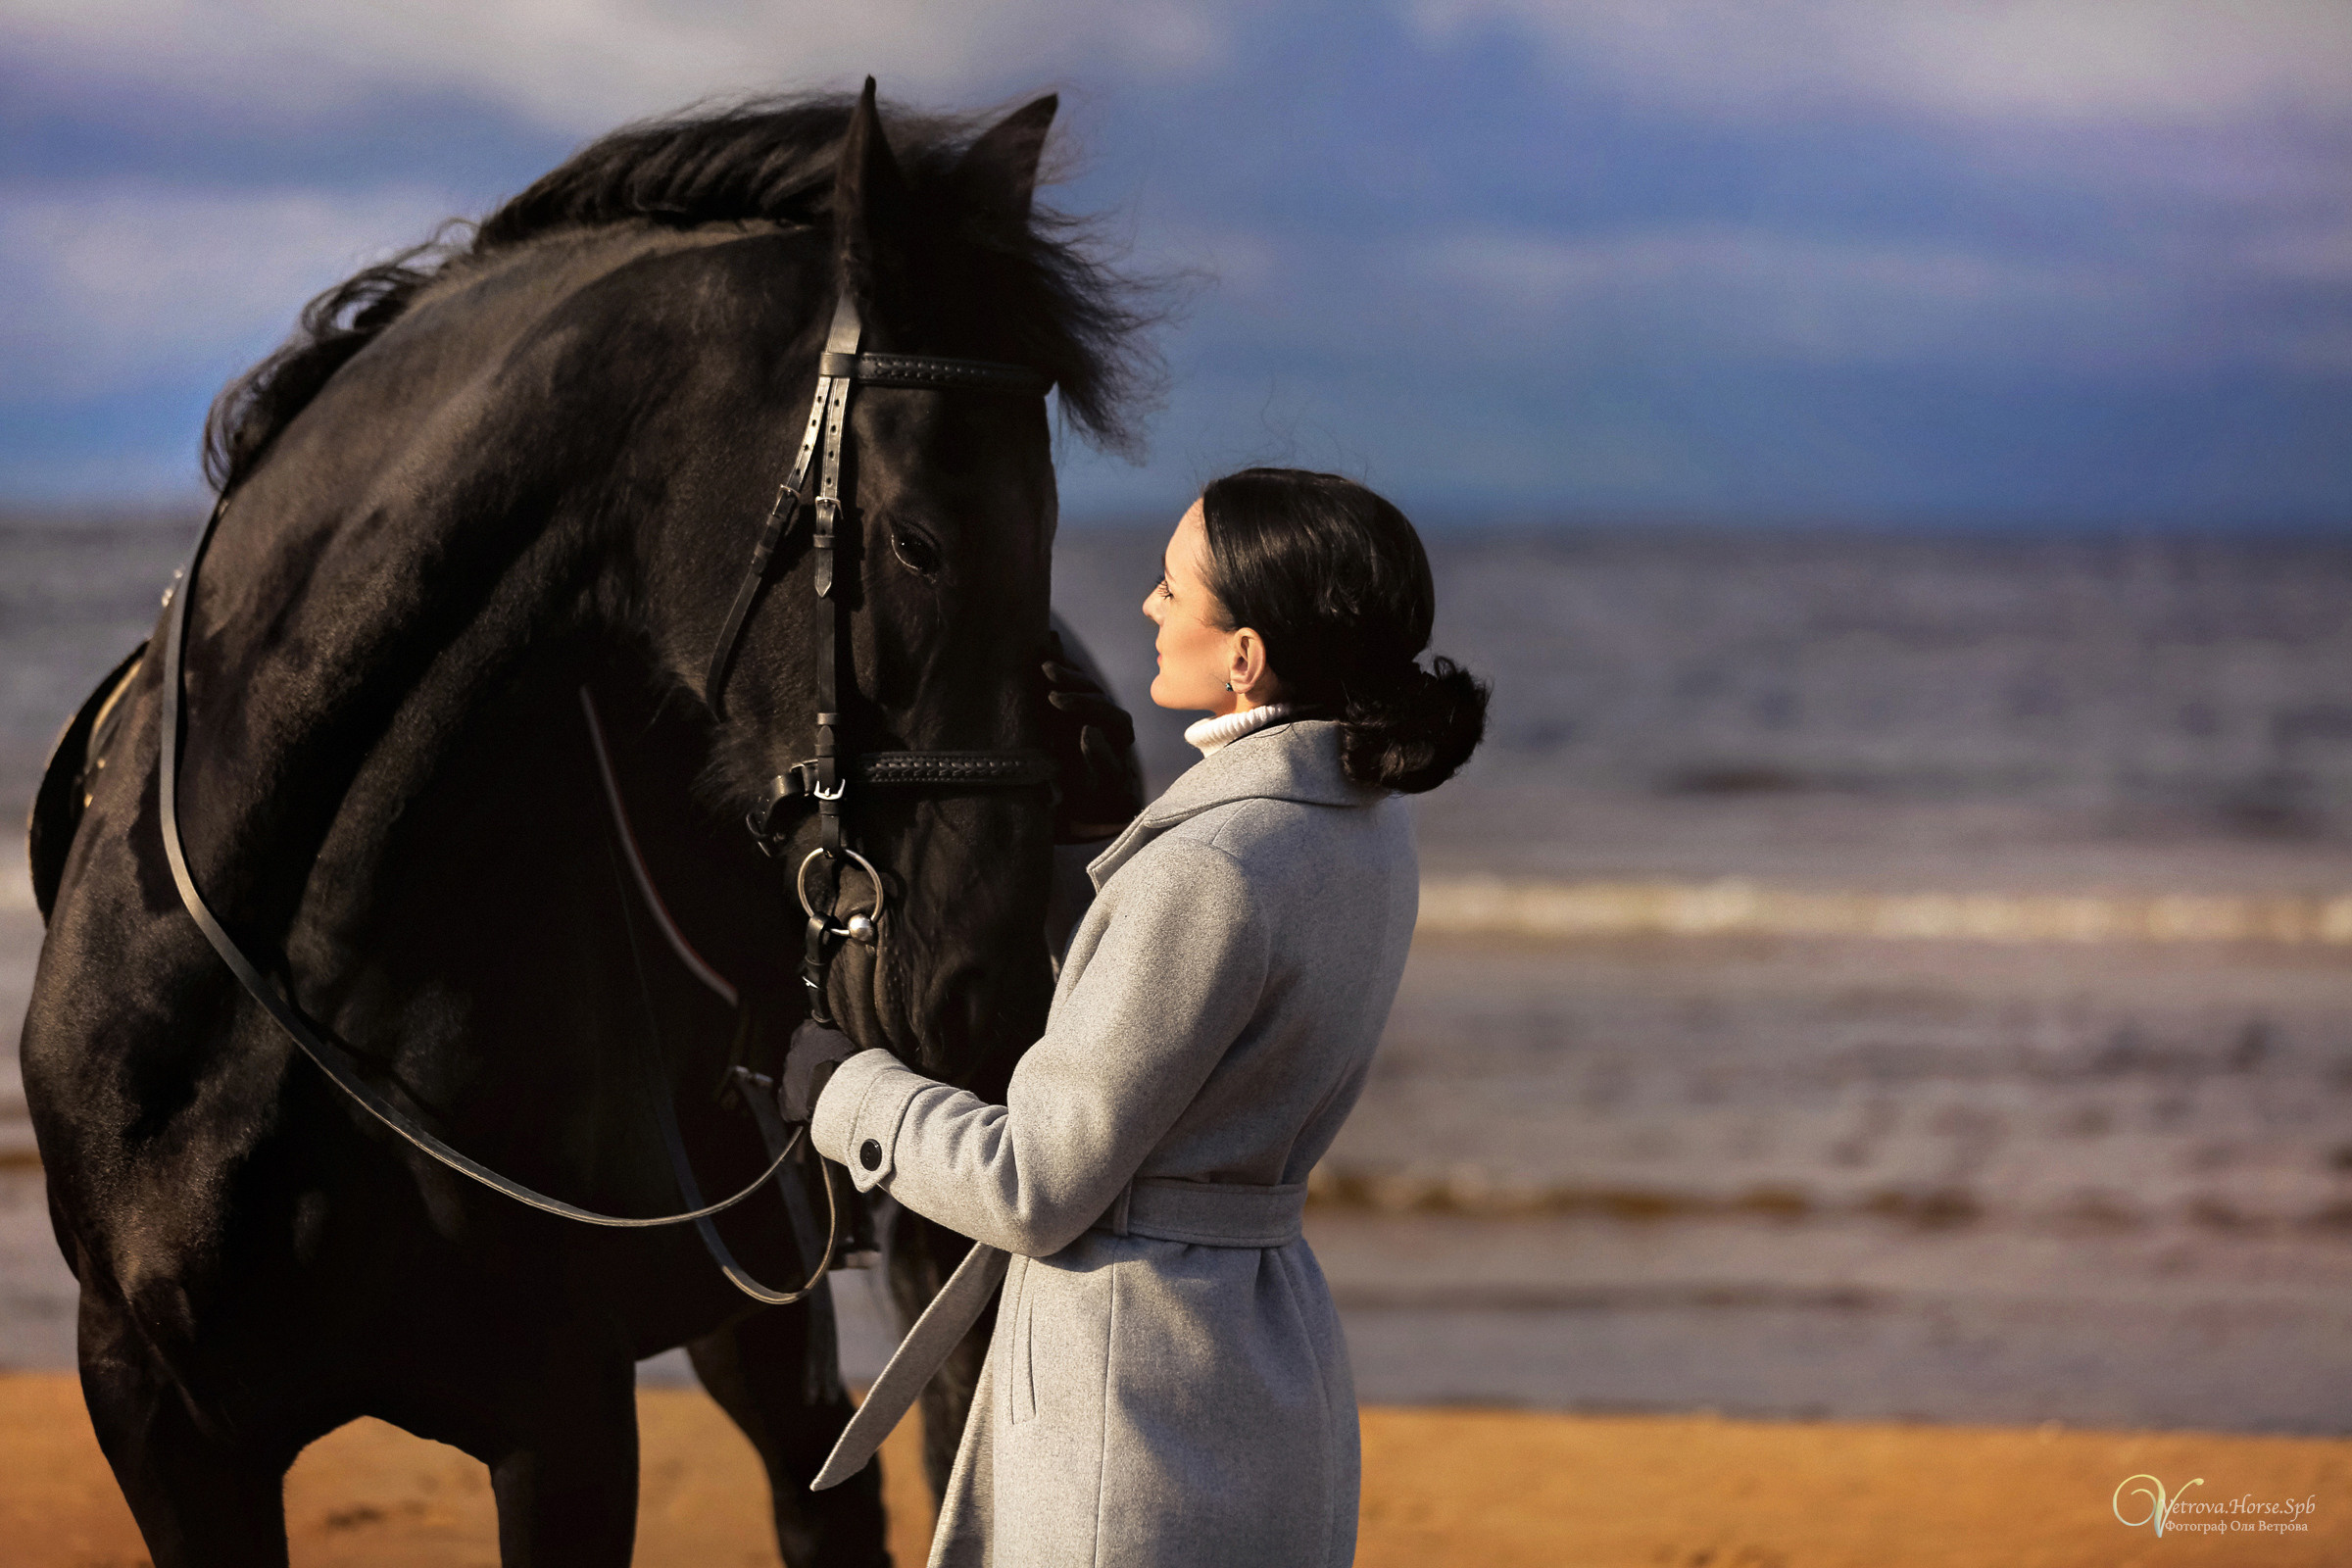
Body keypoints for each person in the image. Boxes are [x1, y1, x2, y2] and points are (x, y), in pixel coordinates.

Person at [784, 466, 1489, 1567]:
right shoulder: (1363, 824)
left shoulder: (1210, 865)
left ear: (1245, 655)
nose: (1150, 609)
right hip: (1262, 1365)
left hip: (1132, 1401)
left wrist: (843, 1091)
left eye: (1172, 586)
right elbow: (1174, 1026)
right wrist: (1098, 839)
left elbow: (1034, 1184)